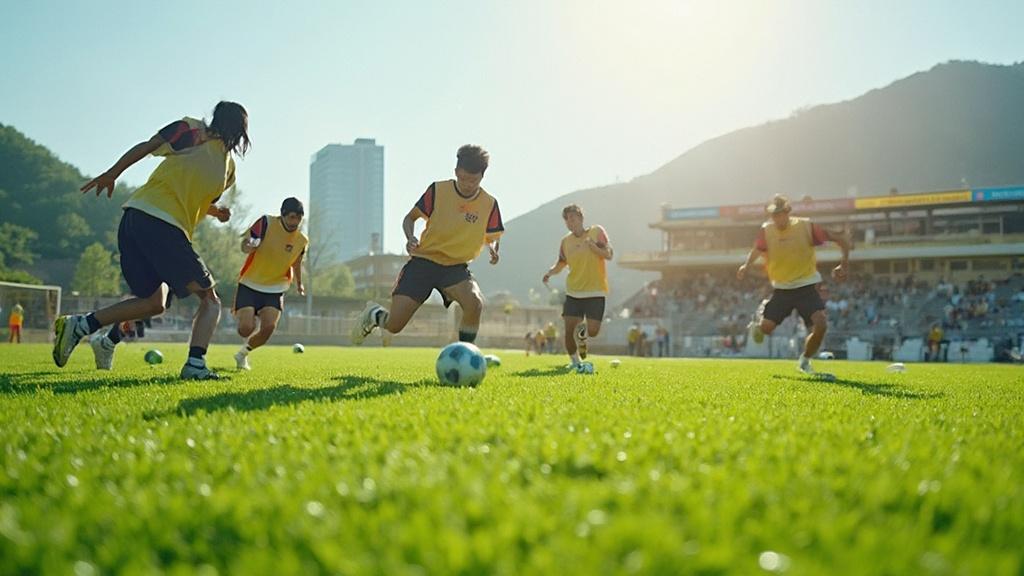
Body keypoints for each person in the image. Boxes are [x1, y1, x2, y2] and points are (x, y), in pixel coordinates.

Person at [53, 101, 249, 378]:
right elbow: (147, 146)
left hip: (138, 222)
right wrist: (112, 173)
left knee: (154, 302)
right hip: (159, 223)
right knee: (210, 300)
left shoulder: (228, 172)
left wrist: (215, 211)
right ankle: (195, 366)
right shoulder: (192, 130)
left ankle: (83, 326)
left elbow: (197, 197)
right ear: (242, 130)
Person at [351, 145, 503, 345]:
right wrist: (410, 237)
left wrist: (493, 248)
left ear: (482, 177)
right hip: (423, 263)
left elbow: (493, 236)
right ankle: (374, 315)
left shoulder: (489, 204)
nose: (467, 184)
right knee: (395, 325)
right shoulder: (438, 190)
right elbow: (409, 218)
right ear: (456, 172)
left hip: (455, 268)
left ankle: (465, 353)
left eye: (473, 180)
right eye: (463, 178)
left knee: (475, 304)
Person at [737, 194, 851, 375]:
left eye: (780, 214)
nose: (777, 218)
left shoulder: (806, 226)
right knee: (765, 329)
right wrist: (747, 265)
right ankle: (761, 316)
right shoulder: (766, 230)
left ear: (787, 212)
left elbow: (841, 240)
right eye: (773, 215)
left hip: (807, 286)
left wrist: (843, 264)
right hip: (782, 289)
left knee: (821, 325)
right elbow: (758, 249)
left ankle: (805, 361)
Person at [233, 197, 308, 370]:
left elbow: (297, 262)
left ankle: (242, 354)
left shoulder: (302, 240)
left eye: (298, 218)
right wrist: (248, 246)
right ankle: (249, 317)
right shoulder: (265, 222)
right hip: (250, 283)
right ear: (282, 215)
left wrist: (299, 283)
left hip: (276, 287)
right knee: (245, 329)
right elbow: (244, 244)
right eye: (291, 217)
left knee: (268, 329)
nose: (295, 222)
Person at [541, 204, 613, 368]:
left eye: (572, 218)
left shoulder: (596, 232)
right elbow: (560, 263)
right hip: (574, 292)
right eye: (567, 220)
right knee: (568, 329)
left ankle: (583, 335)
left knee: (593, 331)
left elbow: (609, 254)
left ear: (581, 218)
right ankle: (575, 362)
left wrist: (594, 247)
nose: (570, 222)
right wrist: (550, 273)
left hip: (596, 291)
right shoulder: (565, 241)